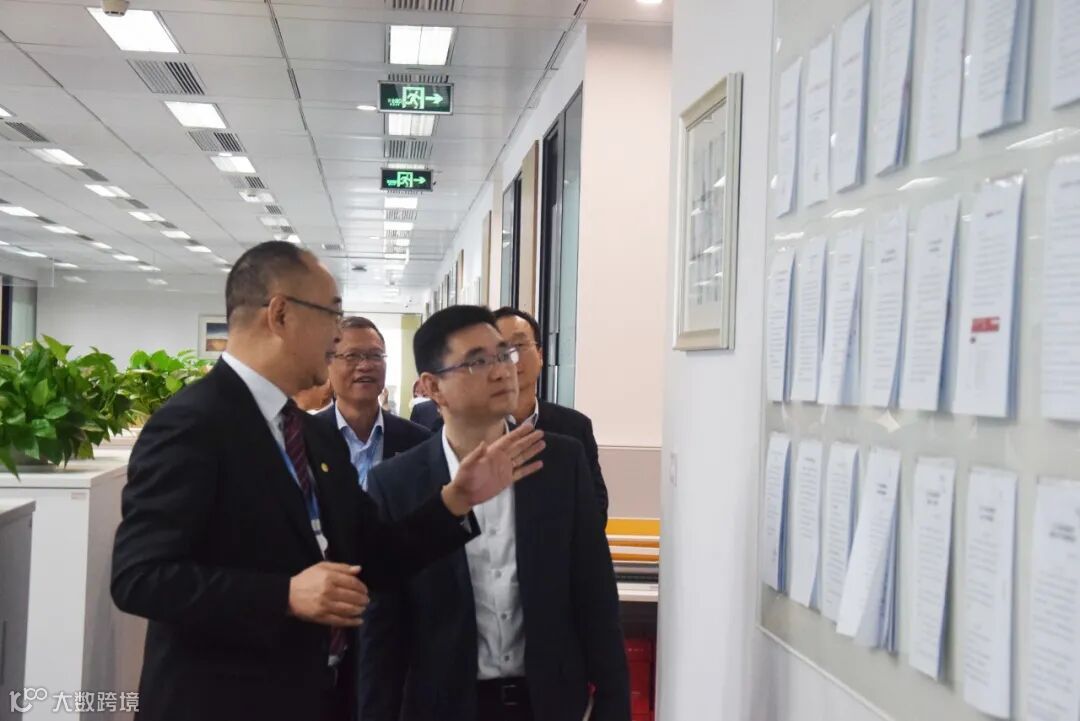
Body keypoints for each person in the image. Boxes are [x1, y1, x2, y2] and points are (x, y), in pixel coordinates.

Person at [110, 242, 545, 721]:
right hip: (220, 702)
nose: (337, 336)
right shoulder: (193, 423)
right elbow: (140, 578)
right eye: (331, 315)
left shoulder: (309, 435)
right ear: (280, 315)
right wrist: (284, 595)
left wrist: (454, 502)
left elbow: (370, 555)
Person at [358, 305, 629, 721]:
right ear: (433, 387)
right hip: (446, 707)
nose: (503, 371)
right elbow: (383, 629)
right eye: (478, 362)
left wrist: (613, 702)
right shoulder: (397, 484)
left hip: (548, 703)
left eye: (504, 355)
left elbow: (595, 591)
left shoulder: (560, 462)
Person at [493, 306, 609, 525]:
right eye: (501, 349)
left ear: (540, 356)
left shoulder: (575, 428)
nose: (512, 358)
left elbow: (595, 510)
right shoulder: (469, 430)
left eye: (520, 345)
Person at [315, 316, 430, 489]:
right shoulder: (304, 438)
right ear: (327, 364)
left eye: (376, 355)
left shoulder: (419, 442)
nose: (365, 366)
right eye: (352, 356)